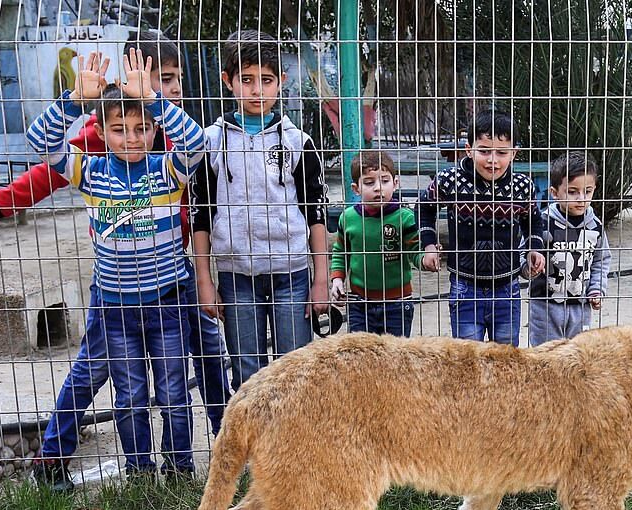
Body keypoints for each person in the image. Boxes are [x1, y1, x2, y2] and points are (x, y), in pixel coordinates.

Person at [0, 31, 229, 490]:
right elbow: (43, 164)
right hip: (117, 293)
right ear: (132, 80)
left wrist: (154, 101)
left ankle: (217, 452)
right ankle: (58, 459)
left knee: (198, 368)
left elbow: (196, 151)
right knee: (110, 377)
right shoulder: (100, 142)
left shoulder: (170, 148)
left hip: (175, 281)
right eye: (163, 79)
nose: (172, 90)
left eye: (175, 81)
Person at [27, 49, 206, 480]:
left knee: (174, 392)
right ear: (102, 132)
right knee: (129, 397)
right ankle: (140, 473)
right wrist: (74, 101)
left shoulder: (167, 171)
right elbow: (40, 144)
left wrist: (153, 100)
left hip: (165, 303)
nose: (132, 138)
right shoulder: (88, 172)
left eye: (142, 129)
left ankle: (179, 469)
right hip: (115, 308)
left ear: (154, 129)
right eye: (120, 130)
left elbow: (197, 143)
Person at [192, 30, 329, 389]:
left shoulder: (298, 142)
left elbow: (315, 213)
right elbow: (201, 216)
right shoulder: (211, 143)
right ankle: (256, 448)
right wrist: (205, 281)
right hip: (237, 278)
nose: (257, 91)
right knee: (248, 376)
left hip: (292, 275)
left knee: (295, 373)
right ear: (228, 81)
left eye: (266, 80)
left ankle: (295, 446)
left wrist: (320, 280)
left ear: (281, 82)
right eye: (247, 80)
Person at [418, 108, 545, 346]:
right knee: (467, 362)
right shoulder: (449, 180)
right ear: (469, 149)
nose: (493, 160)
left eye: (502, 152)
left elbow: (534, 220)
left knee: (506, 362)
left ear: (514, 153)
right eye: (484, 151)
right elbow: (424, 207)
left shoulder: (522, 186)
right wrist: (428, 245)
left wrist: (534, 248)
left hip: (507, 288)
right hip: (465, 288)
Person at [328, 151, 439, 336]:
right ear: (356, 189)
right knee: (361, 358)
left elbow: (414, 250)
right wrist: (337, 279)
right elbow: (340, 251)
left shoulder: (405, 217)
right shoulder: (348, 218)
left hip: (397, 303)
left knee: (395, 359)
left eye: (385, 181)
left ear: (395, 184)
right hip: (359, 302)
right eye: (369, 183)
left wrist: (426, 260)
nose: (378, 188)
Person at [526, 152, 611, 345]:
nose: (581, 198)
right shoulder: (543, 222)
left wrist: (597, 289)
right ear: (554, 193)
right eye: (572, 192)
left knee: (577, 357)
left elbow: (601, 260)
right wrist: (528, 266)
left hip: (580, 307)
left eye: (588, 191)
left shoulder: (595, 225)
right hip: (545, 305)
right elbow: (526, 251)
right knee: (545, 357)